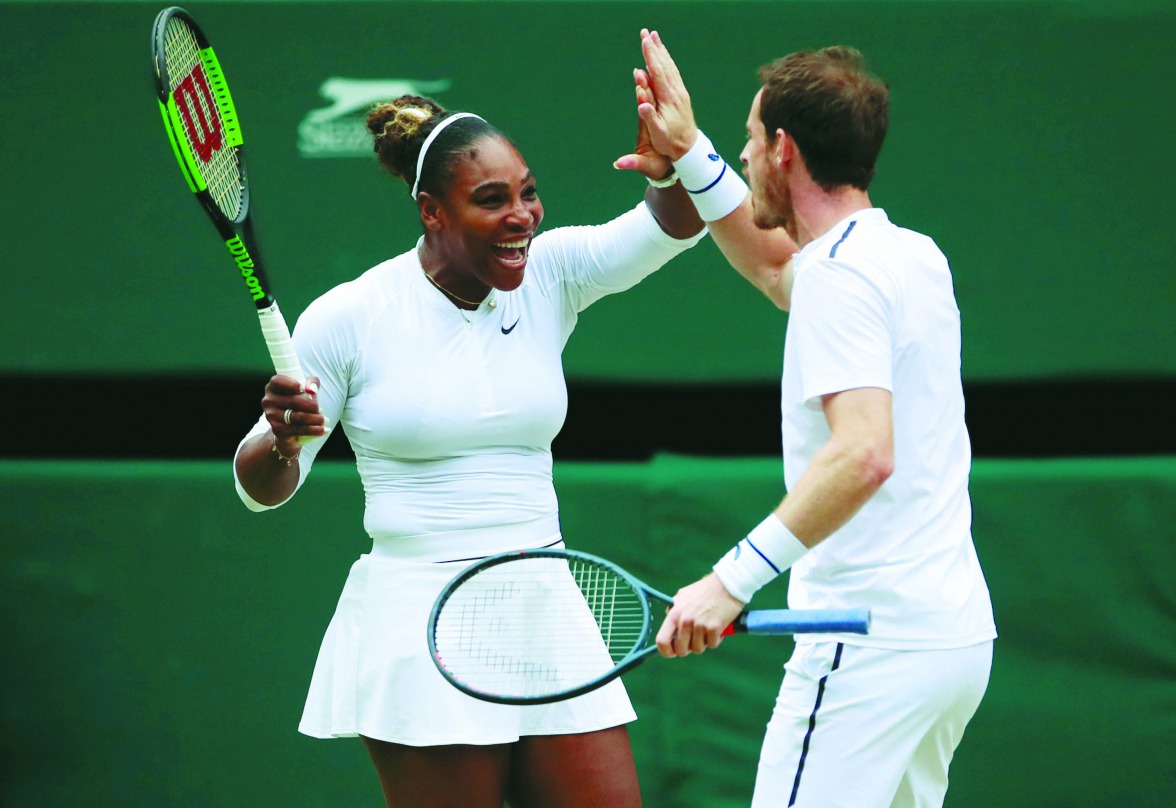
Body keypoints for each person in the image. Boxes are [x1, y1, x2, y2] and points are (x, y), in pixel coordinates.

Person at [233, 93, 704, 807]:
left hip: (545, 601)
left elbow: (670, 228)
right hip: (424, 619)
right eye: (492, 200)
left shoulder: (549, 274)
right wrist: (281, 440)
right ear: (432, 211)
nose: (522, 216)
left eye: (528, 193)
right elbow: (261, 485)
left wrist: (673, 167)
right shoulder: (352, 316)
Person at [616, 30, 997, 808]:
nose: (748, 157)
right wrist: (691, 151)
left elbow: (863, 454)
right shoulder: (910, 255)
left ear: (785, 149)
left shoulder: (838, 276)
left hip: (865, 649)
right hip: (950, 642)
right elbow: (773, 266)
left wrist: (731, 580)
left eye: (753, 141)